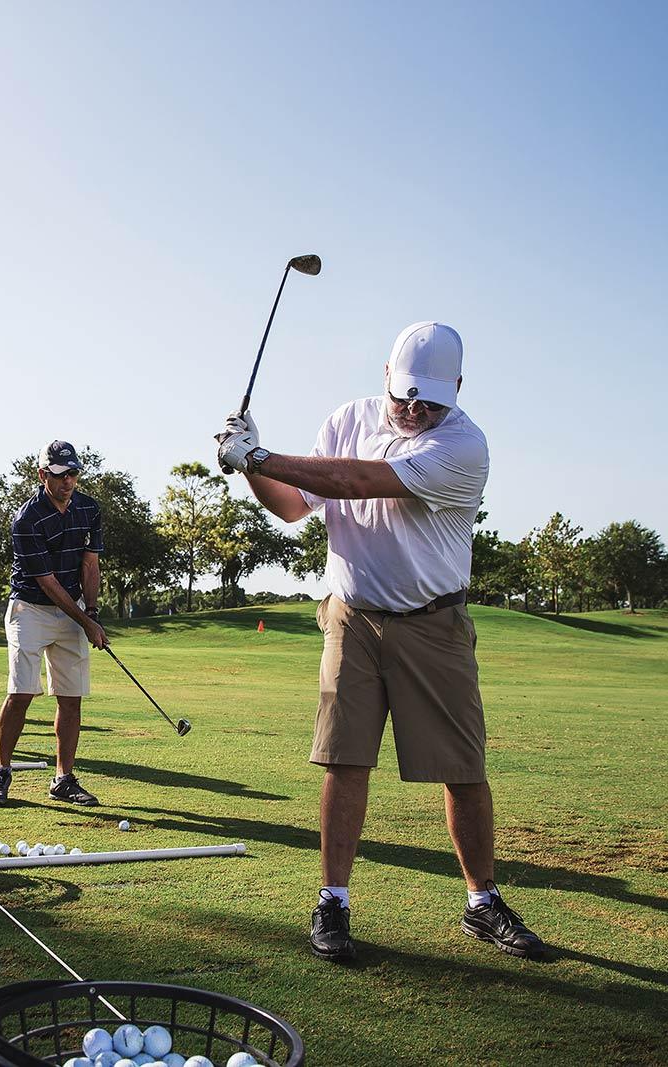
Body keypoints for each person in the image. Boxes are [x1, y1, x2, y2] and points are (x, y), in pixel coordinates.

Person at [215, 321, 546, 965]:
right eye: (406, 398)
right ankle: (333, 899)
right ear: (385, 381)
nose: (416, 410)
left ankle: (482, 901)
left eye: (431, 400)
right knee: (345, 761)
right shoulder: (347, 419)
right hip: (351, 616)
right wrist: (247, 465)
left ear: (457, 390)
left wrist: (258, 457)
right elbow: (293, 506)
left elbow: (358, 482)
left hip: (433, 624)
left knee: (462, 768)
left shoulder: (463, 445)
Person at [0, 441, 108, 807]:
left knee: (71, 699)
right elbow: (47, 581)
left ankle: (63, 779)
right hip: (30, 609)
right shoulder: (27, 519)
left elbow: (90, 565)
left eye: (73, 473)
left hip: (73, 609)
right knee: (21, 693)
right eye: (60, 475)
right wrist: (85, 620)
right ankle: (2, 771)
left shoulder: (89, 509)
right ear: (42, 475)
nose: (68, 481)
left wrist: (94, 611)